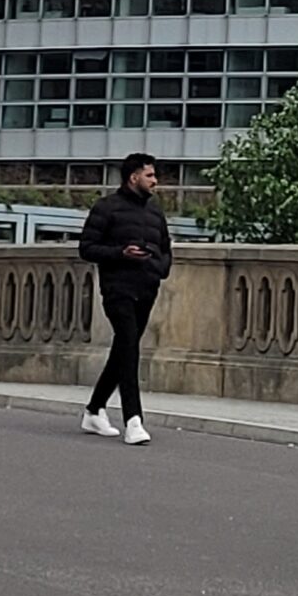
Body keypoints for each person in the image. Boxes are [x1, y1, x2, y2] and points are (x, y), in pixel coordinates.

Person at [77, 151, 172, 447]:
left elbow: (166, 248)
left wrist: (158, 268)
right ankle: (134, 420)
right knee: (129, 345)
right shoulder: (106, 208)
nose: (155, 181)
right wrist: (121, 253)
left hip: (147, 288)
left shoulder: (155, 213)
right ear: (134, 177)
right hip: (118, 289)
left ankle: (94, 410)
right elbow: (87, 248)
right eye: (149, 175)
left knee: (124, 349)